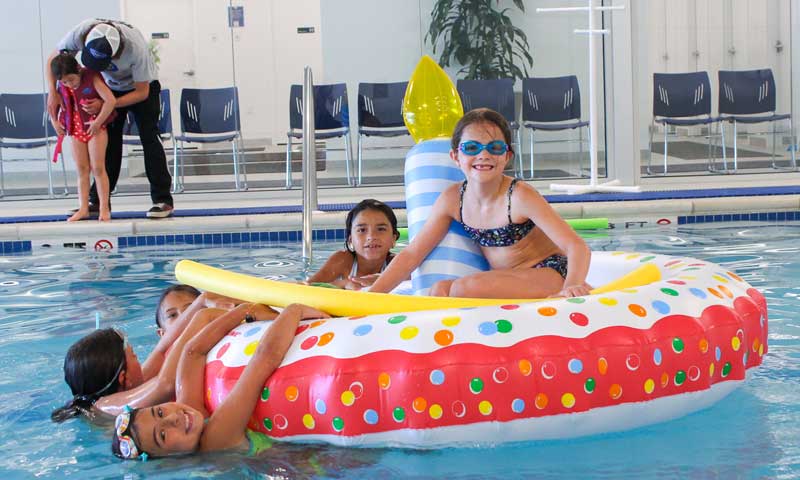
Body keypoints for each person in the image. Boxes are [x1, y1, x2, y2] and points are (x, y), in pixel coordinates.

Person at [370, 108, 592, 299]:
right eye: (471, 148)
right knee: (439, 289)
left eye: (494, 148)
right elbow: (412, 254)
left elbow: (576, 246)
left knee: (465, 287)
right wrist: (373, 296)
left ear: (507, 156)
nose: (483, 155)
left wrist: (571, 287)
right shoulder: (453, 199)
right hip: (505, 279)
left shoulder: (519, 196)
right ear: (456, 156)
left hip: (548, 274)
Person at [111, 303, 329, 459]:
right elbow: (263, 361)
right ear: (167, 459)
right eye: (163, 435)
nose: (173, 418)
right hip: (306, 467)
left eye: (159, 412)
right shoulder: (215, 440)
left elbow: (192, 352)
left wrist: (245, 311)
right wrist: (294, 310)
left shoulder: (186, 410)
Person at [46, 19, 175, 219]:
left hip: (141, 89)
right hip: (108, 88)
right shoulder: (82, 32)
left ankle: (162, 200)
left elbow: (142, 93)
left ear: (115, 54)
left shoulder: (136, 49)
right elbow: (53, 59)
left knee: (149, 138)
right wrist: (53, 92)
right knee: (108, 142)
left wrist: (108, 104)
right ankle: (98, 202)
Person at [51, 292, 243, 423]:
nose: (140, 361)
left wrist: (201, 301)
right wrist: (202, 318)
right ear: (123, 378)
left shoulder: (122, 386)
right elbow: (166, 383)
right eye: (134, 356)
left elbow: (161, 350)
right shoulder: (107, 406)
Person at [50, 52, 116, 222]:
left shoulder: (91, 77)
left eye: (71, 80)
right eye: (64, 82)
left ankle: (103, 208)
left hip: (95, 128)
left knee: (98, 168)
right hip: (75, 130)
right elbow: (52, 107)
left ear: (78, 69)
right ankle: (83, 208)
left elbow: (110, 101)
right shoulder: (62, 86)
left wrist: (97, 122)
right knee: (82, 169)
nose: (69, 84)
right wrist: (55, 123)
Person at [307, 199, 400, 290]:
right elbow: (308, 287)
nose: (371, 236)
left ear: (393, 239)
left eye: (381, 229)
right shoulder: (342, 261)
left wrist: (380, 278)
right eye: (362, 230)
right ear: (350, 240)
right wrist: (343, 283)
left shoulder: (396, 264)